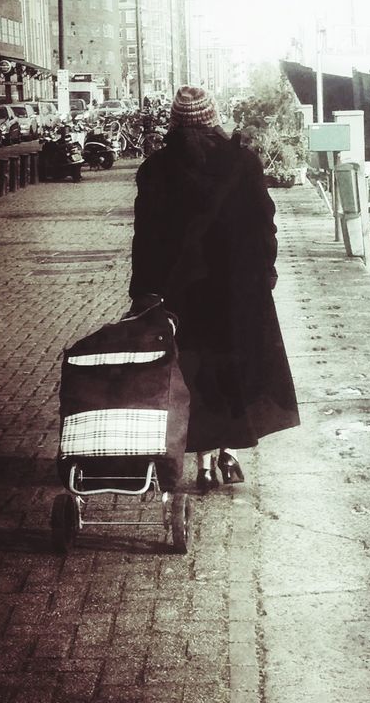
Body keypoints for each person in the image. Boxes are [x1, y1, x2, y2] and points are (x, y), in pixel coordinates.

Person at [128, 84, 299, 492]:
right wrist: (265, 273)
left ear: (175, 121)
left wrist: (145, 291)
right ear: (213, 117)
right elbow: (265, 225)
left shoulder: (155, 168)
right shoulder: (243, 162)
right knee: (234, 366)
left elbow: (146, 237)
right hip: (238, 289)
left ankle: (203, 463)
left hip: (182, 293)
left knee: (192, 372)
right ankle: (230, 454)